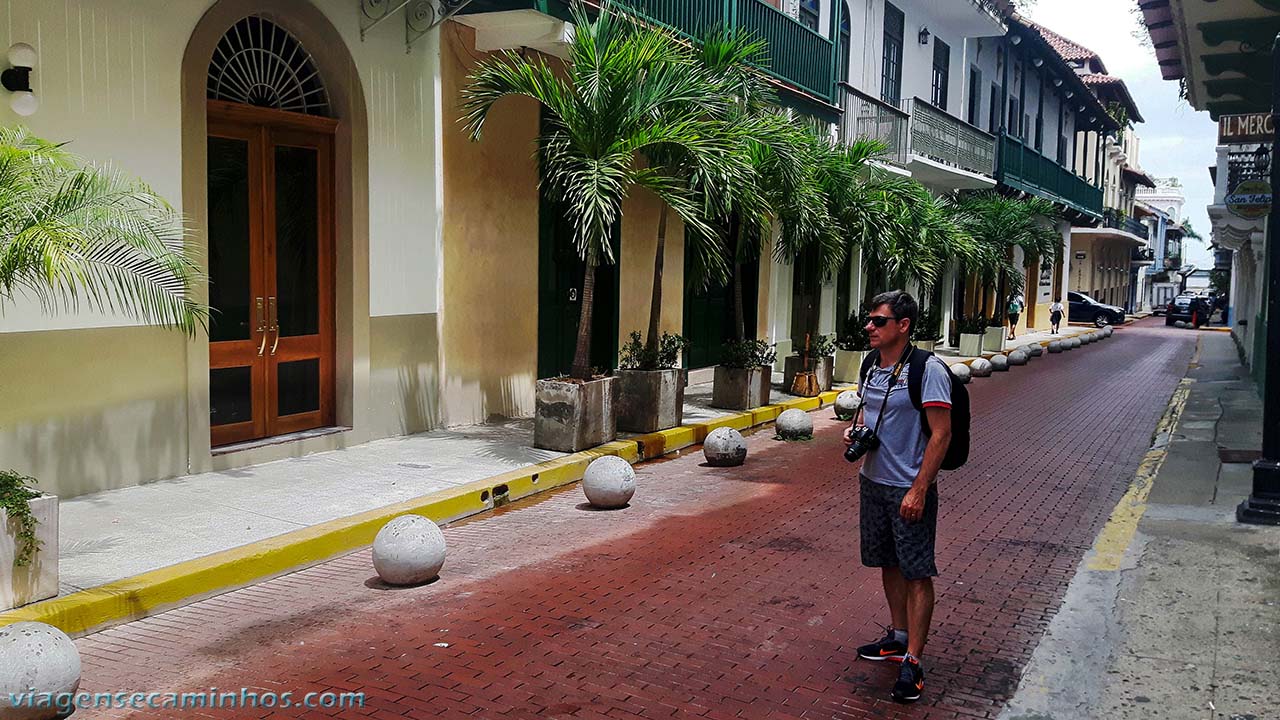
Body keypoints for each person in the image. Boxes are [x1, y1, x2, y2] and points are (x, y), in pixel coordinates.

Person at [843, 290, 952, 704]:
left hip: (909, 487)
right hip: (873, 482)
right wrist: (856, 434)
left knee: (917, 572)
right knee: (887, 562)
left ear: (903, 326)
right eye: (869, 320)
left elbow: (942, 434)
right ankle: (898, 636)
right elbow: (872, 415)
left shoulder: (929, 370)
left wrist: (920, 489)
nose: (869, 327)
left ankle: (913, 661)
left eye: (878, 321)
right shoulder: (870, 364)